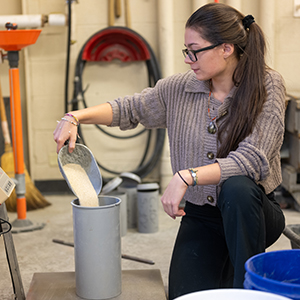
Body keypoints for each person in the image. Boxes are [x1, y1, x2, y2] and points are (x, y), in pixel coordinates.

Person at [54, 2, 286, 299]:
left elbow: (252, 160)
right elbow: (129, 108)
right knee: (185, 294)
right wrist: (74, 117)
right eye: (185, 51)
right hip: (203, 216)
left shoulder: (267, 85)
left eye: (195, 49)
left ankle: (250, 287)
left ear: (226, 48)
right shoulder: (179, 89)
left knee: (237, 188)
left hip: (252, 211)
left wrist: (186, 176)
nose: (188, 59)